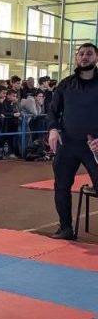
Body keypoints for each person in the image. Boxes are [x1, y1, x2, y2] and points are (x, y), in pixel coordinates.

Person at [48, 43, 98, 240]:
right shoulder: (66, 84)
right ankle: (65, 228)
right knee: (61, 186)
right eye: (81, 54)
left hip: (94, 145)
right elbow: (53, 110)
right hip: (68, 143)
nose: (84, 57)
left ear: (96, 58)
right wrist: (53, 129)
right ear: (77, 58)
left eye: (89, 54)